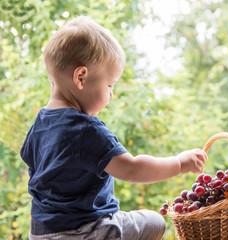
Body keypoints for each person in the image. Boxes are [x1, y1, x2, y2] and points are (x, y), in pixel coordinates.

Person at [20, 16, 207, 240]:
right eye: (109, 85)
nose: (111, 94)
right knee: (154, 221)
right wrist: (179, 163)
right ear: (81, 77)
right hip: (88, 232)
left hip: (40, 234)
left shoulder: (39, 124)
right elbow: (132, 169)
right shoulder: (86, 129)